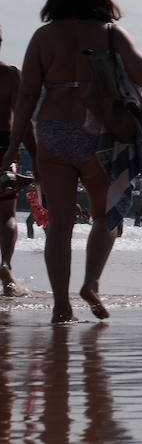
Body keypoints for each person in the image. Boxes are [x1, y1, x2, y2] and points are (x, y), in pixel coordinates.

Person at [2, 0, 142, 321]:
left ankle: (61, 305)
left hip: (53, 129)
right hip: (96, 131)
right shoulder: (110, 33)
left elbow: (26, 95)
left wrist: (13, 147)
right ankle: (90, 284)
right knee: (106, 217)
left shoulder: (43, 36)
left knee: (59, 224)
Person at [0, 30, 25, 294]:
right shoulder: (9, 75)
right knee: (7, 215)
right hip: (3, 147)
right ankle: (5, 266)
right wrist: (36, 153)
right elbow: (22, 118)